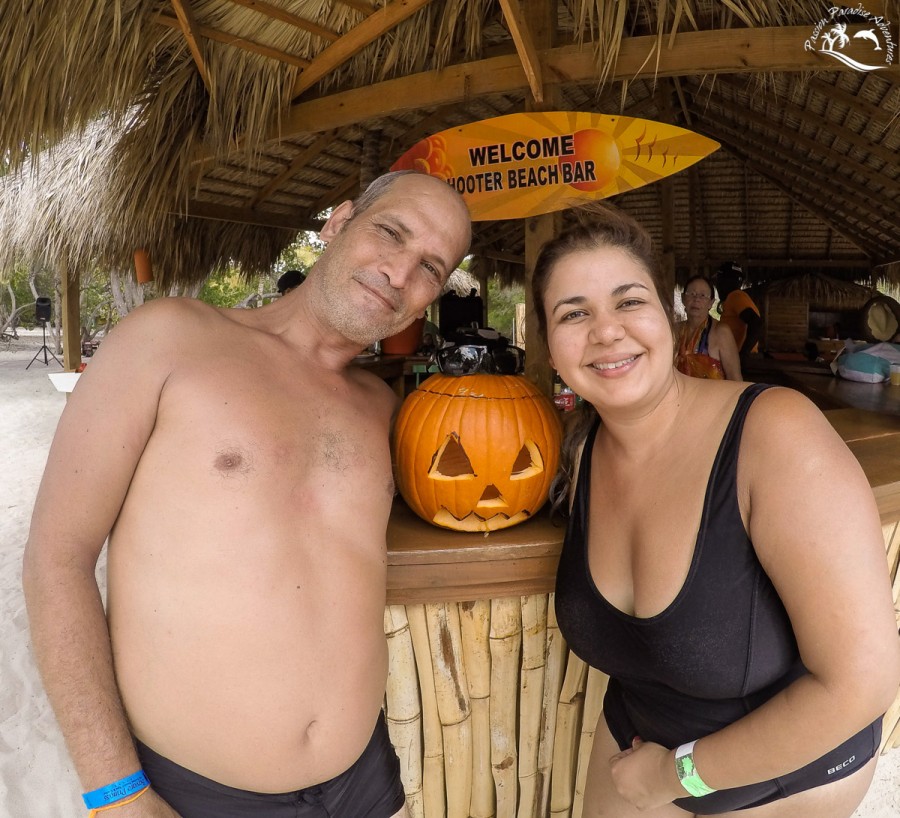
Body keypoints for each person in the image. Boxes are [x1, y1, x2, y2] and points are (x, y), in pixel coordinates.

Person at [22, 170, 471, 818]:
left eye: (430, 265)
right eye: (390, 233)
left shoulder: (384, 410)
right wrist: (115, 792)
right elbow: (56, 558)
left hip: (367, 783)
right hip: (191, 795)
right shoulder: (168, 339)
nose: (400, 272)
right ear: (338, 223)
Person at [530, 202, 899, 818]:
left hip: (782, 771)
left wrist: (678, 778)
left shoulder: (773, 433)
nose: (606, 330)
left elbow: (861, 683)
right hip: (637, 746)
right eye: (574, 313)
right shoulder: (582, 449)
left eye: (628, 301)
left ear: (669, 317)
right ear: (544, 345)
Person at [675, 275, 742, 380]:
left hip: (713, 396)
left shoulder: (721, 332)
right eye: (691, 294)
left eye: (702, 295)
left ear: (711, 303)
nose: (696, 299)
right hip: (679, 396)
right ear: (683, 298)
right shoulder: (674, 331)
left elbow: (735, 378)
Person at [713, 261, 762, 358]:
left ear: (725, 281)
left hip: (740, 359)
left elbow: (756, 322)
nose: (717, 285)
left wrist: (744, 353)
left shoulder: (735, 296)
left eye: (719, 281)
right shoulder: (734, 299)